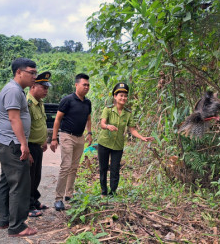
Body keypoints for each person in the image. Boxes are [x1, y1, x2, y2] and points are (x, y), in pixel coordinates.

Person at [0, 58, 37, 237]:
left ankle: (4, 220)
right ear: (19, 72)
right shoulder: (13, 90)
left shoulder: (16, 90)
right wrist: (24, 145)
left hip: (7, 143)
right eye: (31, 73)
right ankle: (17, 226)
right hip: (12, 144)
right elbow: (14, 119)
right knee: (20, 184)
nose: (34, 76)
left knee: (7, 181)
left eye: (35, 73)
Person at [97, 82, 154, 196]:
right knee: (103, 168)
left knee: (115, 169)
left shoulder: (128, 113)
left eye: (125, 96)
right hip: (104, 143)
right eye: (120, 95)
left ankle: (112, 193)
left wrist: (142, 137)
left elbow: (132, 130)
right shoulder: (108, 109)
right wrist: (108, 126)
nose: (123, 98)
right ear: (115, 96)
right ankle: (104, 192)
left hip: (118, 145)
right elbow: (102, 124)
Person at [50, 73, 93, 211]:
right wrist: (54, 138)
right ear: (76, 84)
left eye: (88, 85)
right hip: (66, 135)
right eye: (84, 84)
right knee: (66, 166)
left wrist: (90, 133)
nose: (86, 87)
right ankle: (58, 198)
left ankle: (69, 194)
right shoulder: (67, 100)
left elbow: (88, 119)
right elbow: (57, 119)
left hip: (80, 138)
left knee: (74, 167)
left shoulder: (88, 102)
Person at [26, 71, 52, 217]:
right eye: (43, 87)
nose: (46, 91)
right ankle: (28, 206)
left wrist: (43, 141)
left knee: (36, 176)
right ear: (33, 86)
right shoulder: (28, 104)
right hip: (29, 145)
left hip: (37, 145)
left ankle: (35, 200)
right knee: (29, 177)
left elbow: (40, 124)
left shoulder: (39, 103)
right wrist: (27, 150)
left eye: (47, 88)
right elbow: (24, 128)